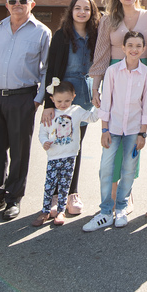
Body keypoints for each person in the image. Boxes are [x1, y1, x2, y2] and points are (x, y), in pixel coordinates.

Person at [0, 0, 51, 222]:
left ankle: (13, 199)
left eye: (23, 1)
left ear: (32, 5)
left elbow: (47, 69)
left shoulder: (42, 32)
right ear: (6, 5)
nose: (18, 4)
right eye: (13, 1)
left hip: (23, 98)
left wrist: (37, 100)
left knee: (19, 151)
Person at [90, 0, 147, 208]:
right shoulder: (108, 20)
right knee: (112, 132)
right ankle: (112, 190)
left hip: (142, 76)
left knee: (134, 132)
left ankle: (126, 190)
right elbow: (101, 54)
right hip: (115, 75)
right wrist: (95, 86)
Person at [83, 31, 147, 231]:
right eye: (130, 45)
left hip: (134, 130)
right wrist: (104, 129)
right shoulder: (112, 71)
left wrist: (143, 133)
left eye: (138, 46)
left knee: (129, 169)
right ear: (123, 48)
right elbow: (106, 102)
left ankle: (121, 208)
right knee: (106, 168)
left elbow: (146, 105)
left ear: (143, 49)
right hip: (112, 128)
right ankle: (106, 212)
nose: (134, 49)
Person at [41, 0, 100, 217]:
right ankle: (56, 195)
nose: (82, 12)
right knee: (60, 144)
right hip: (63, 96)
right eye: (78, 8)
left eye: (87, 8)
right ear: (71, 11)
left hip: (84, 95)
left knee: (76, 145)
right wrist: (48, 103)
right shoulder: (61, 35)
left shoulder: (96, 35)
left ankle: (72, 193)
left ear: (92, 12)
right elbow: (52, 69)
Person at [33, 79, 101, 227]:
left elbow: (92, 118)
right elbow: (42, 132)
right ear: (52, 99)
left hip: (70, 155)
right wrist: (44, 142)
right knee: (49, 184)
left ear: (73, 97)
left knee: (65, 185)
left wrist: (97, 106)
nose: (63, 104)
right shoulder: (50, 114)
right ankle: (45, 210)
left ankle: (61, 211)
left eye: (67, 101)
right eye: (59, 101)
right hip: (54, 155)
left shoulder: (76, 110)